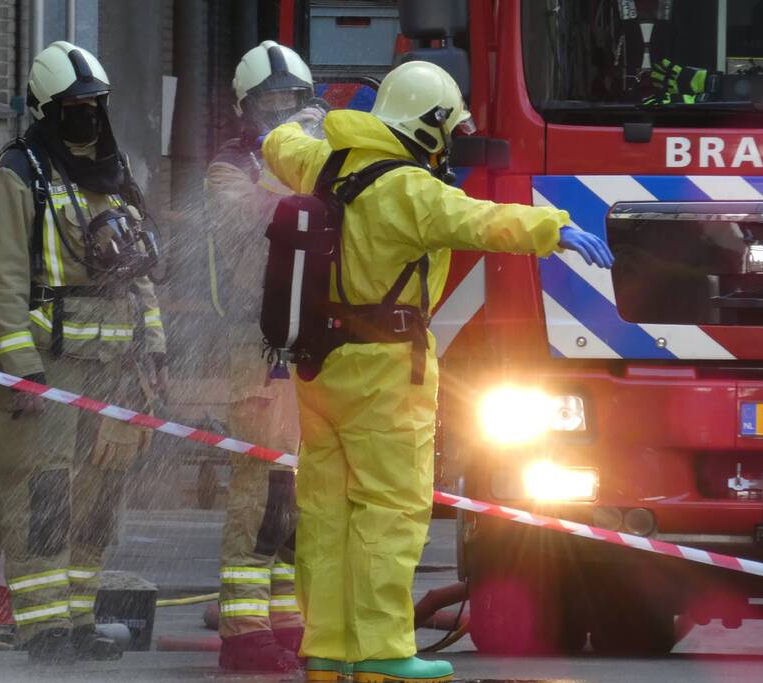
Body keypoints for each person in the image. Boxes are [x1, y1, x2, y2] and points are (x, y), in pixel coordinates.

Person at [260, 61, 613, 682]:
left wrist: (307, 117)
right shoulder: (411, 192)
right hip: (387, 373)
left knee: (325, 511)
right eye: (447, 131)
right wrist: (556, 228)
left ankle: (327, 649)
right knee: (388, 510)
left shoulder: (326, 165)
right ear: (427, 128)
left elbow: (278, 142)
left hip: (320, 366)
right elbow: (483, 220)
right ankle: (383, 651)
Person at [0, 41, 168, 663]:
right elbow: (3, 280)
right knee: (46, 499)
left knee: (97, 499)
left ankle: (79, 619)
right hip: (50, 368)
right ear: (46, 109)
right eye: (74, 105)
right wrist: (24, 373)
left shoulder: (114, 171)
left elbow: (138, 269)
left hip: (113, 371)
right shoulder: (19, 173)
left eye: (95, 103)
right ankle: (41, 628)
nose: (88, 113)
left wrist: (154, 347)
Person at [205, 40, 321, 673]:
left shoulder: (313, 156)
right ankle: (243, 631)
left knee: (300, 489)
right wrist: (297, 154)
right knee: (263, 485)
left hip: (306, 342)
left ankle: (286, 616)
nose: (281, 113)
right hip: (259, 345)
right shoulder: (229, 168)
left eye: (292, 101)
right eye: (269, 103)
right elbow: (263, 215)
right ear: (245, 110)